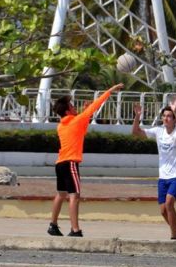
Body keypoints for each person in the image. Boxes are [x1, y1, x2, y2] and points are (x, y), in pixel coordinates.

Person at [47, 83, 124, 237]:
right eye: (72, 106)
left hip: (60, 164)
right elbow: (96, 105)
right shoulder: (77, 120)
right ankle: (75, 230)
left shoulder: (61, 126)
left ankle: (53, 225)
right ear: (69, 110)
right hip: (70, 164)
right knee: (74, 196)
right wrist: (110, 90)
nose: (75, 108)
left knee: (61, 194)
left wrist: (84, 113)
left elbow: (79, 129)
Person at [132, 96, 176, 240]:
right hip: (163, 177)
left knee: (169, 203)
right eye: (165, 116)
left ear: (174, 119)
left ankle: (174, 235)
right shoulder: (158, 131)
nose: (166, 118)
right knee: (163, 210)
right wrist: (137, 116)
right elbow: (136, 132)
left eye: (170, 116)